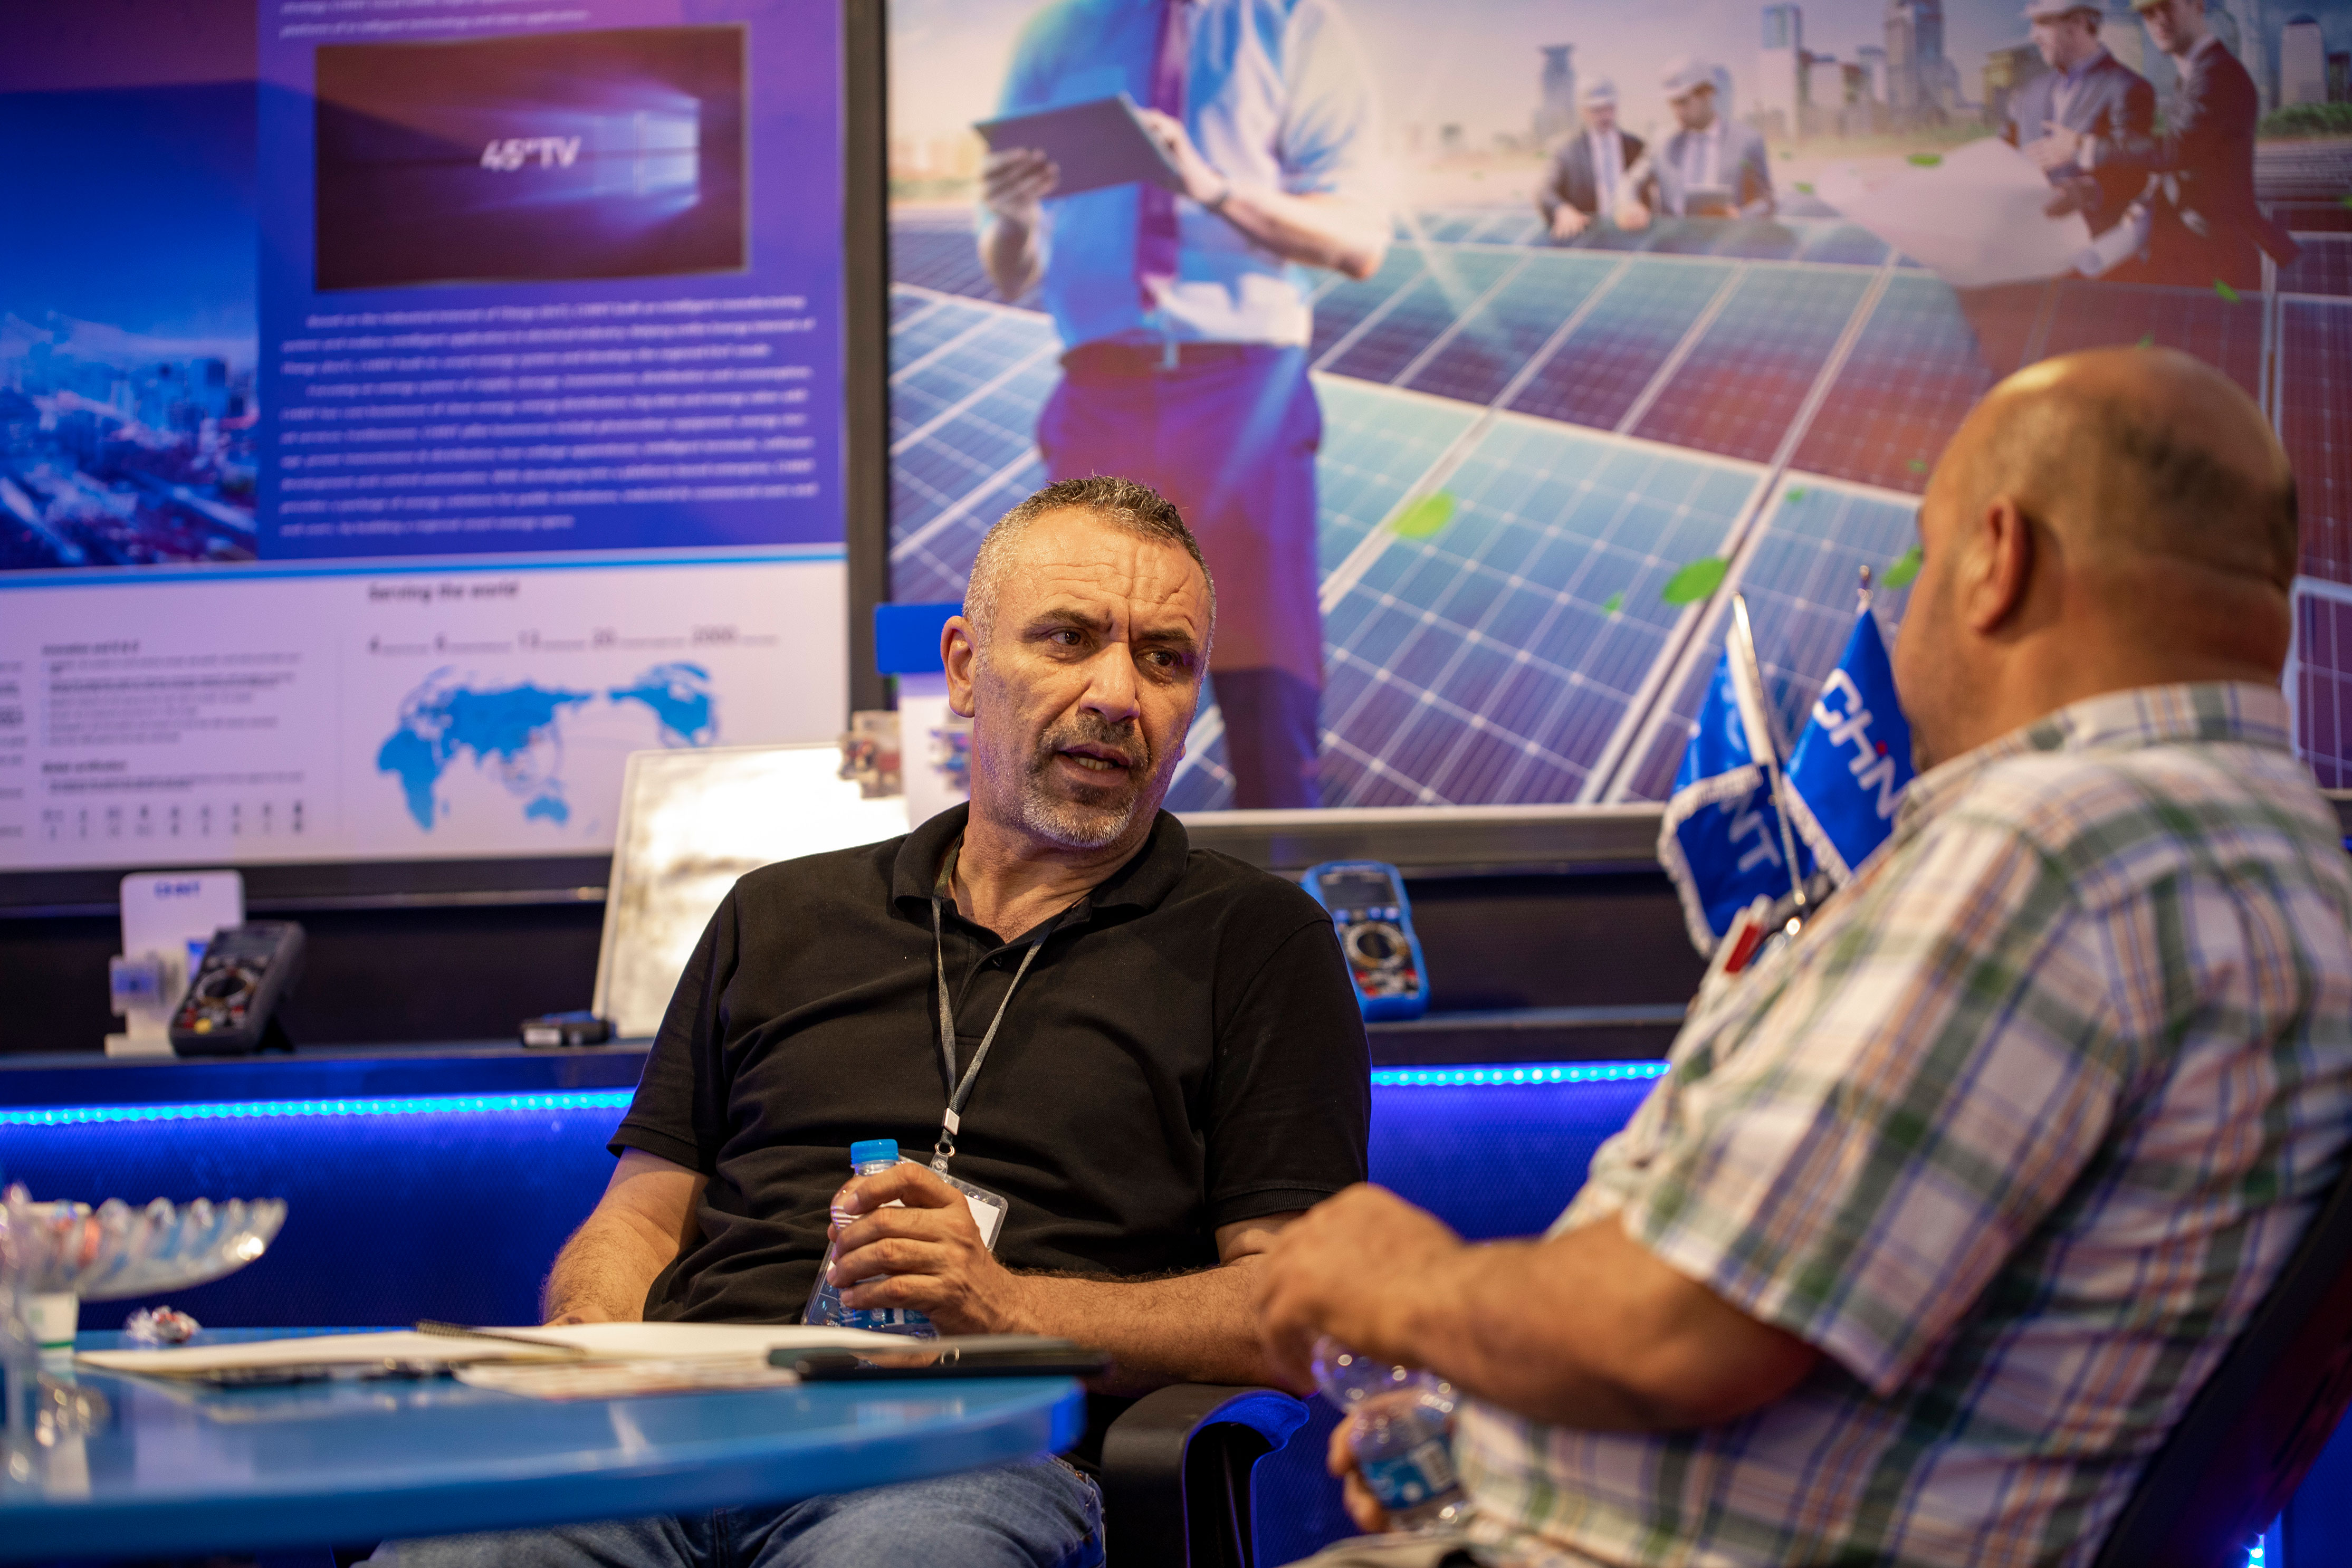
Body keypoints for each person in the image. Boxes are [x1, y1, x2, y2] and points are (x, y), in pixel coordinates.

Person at [1254, 348, 2352, 1567]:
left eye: (1924, 557)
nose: (1910, 609)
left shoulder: (2048, 850)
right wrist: (1504, 1433)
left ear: (1998, 556)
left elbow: (1675, 1332)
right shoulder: (2284, 860)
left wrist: (1403, 1279)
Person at [371, 476, 1371, 1568]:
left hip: (968, 1457)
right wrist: (587, 1340)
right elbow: (644, 1219)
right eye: (1069, 638)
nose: (1118, 693)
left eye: (1165, 659)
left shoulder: (1259, 941)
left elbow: (1293, 1308)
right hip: (669, 1436)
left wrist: (1006, 1306)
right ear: (964, 668)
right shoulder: (777, 913)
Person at [979, 0, 1390, 809]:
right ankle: (1086, 886)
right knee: (1074, 689)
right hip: (1098, 395)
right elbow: (1008, 270)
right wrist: (1016, 219)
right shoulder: (1055, 32)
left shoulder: (1290, 24)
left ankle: (1279, 874)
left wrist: (1212, 187)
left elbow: (1358, 240)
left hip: (1243, 396)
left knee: (1267, 685)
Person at [2040, 0, 2297, 290]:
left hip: (2215, 259)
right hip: (2204, 252)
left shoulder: (2219, 74)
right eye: (2149, 12)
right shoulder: (2195, 74)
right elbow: (2197, 164)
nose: (2159, 20)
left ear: (2197, 5)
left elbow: (2177, 150)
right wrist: (2147, 202)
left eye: (2167, 6)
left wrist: (2084, 147)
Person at [2009, 0, 2156, 238]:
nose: (2034, 36)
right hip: (2024, 239)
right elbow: (2005, 151)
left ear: (2077, 23)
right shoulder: (2031, 92)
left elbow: (2135, 173)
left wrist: (2088, 192)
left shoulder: (2128, 88)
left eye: (2043, 23)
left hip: (2093, 245)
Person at [1643, 57, 1772, 220]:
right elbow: (1631, 183)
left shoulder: (1748, 141)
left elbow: (1767, 201)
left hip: (1726, 235)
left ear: (1707, 94)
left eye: (1683, 102)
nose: (1677, 112)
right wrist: (1629, 205)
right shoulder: (1663, 142)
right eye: (1672, 103)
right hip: (1675, 236)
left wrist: (1740, 216)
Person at [1536, 78, 1650, 242]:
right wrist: (1561, 210)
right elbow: (1544, 190)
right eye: (1596, 110)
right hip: (1588, 238)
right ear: (1583, 111)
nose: (1604, 116)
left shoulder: (1636, 147)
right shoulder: (1567, 151)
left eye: (1609, 108)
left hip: (1631, 236)